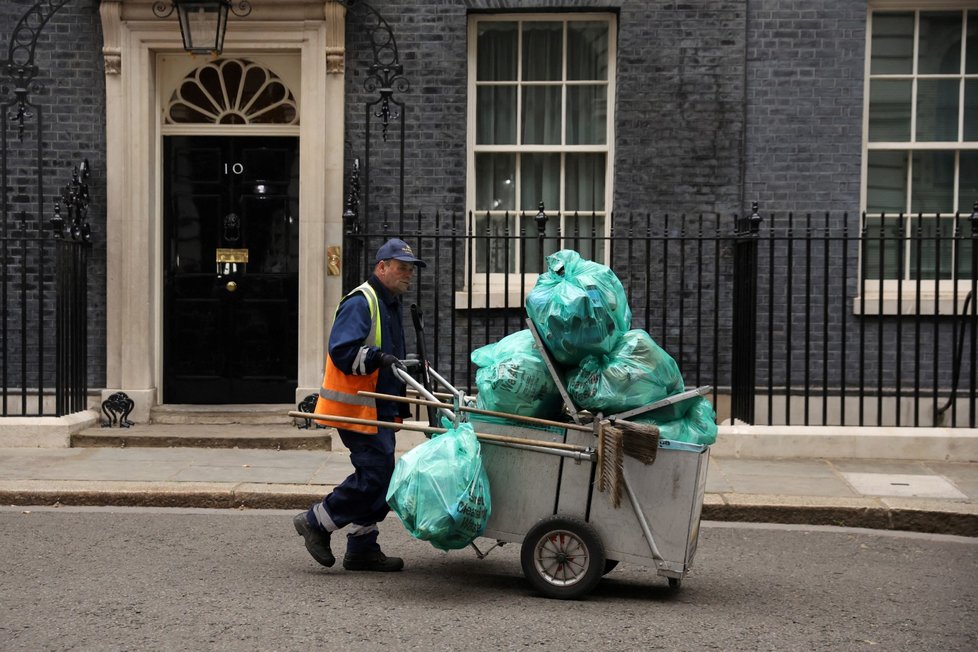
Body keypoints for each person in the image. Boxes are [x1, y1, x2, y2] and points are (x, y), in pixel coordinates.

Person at [293, 238, 426, 572]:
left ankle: (363, 546)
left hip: (380, 405)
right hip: (357, 407)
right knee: (378, 474)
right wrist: (379, 358)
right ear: (381, 267)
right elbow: (342, 350)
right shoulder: (362, 301)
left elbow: (385, 354)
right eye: (401, 267)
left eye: (410, 269)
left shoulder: (390, 302)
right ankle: (318, 521)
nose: (407, 274)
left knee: (381, 475)